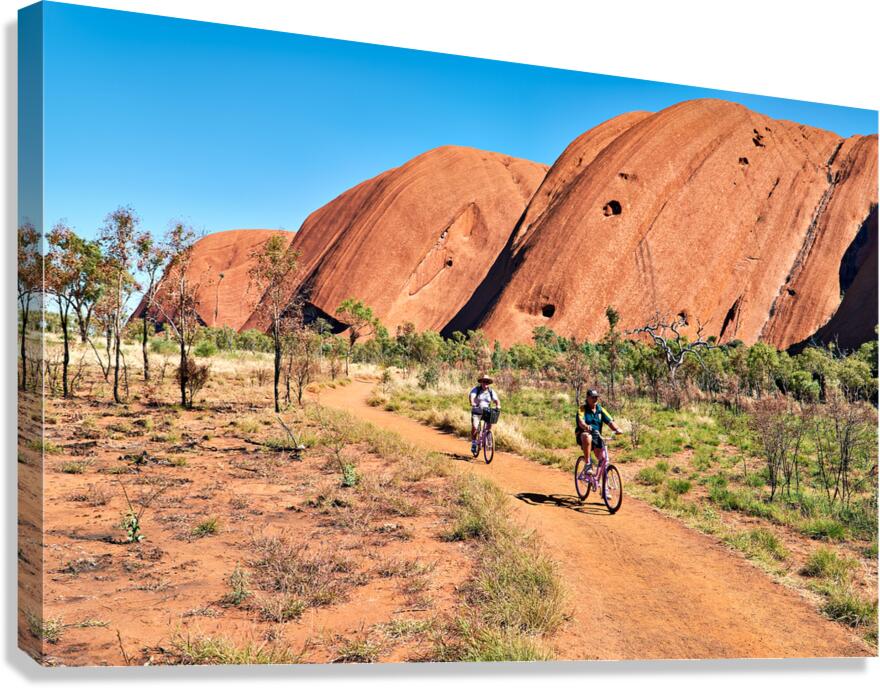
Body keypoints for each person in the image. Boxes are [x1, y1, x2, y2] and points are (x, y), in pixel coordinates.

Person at [576, 388, 622, 476]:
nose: (594, 399)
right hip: (583, 435)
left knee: (603, 458)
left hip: (597, 435)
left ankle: (599, 481)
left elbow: (610, 421)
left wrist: (617, 429)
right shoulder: (582, 409)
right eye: (592, 397)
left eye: (596, 397)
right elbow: (581, 421)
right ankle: (588, 464)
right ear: (587, 398)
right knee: (587, 436)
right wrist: (586, 426)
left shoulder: (600, 409)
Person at [469, 374, 500, 455]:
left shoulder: (491, 391)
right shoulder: (476, 389)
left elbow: (496, 400)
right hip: (477, 410)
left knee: (489, 425)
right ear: (481, 382)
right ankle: (474, 442)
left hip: (487, 411)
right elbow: (472, 396)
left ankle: (487, 437)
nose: (485, 383)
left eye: (487, 382)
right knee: (475, 427)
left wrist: (498, 405)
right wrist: (472, 402)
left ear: (488, 383)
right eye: (484, 382)